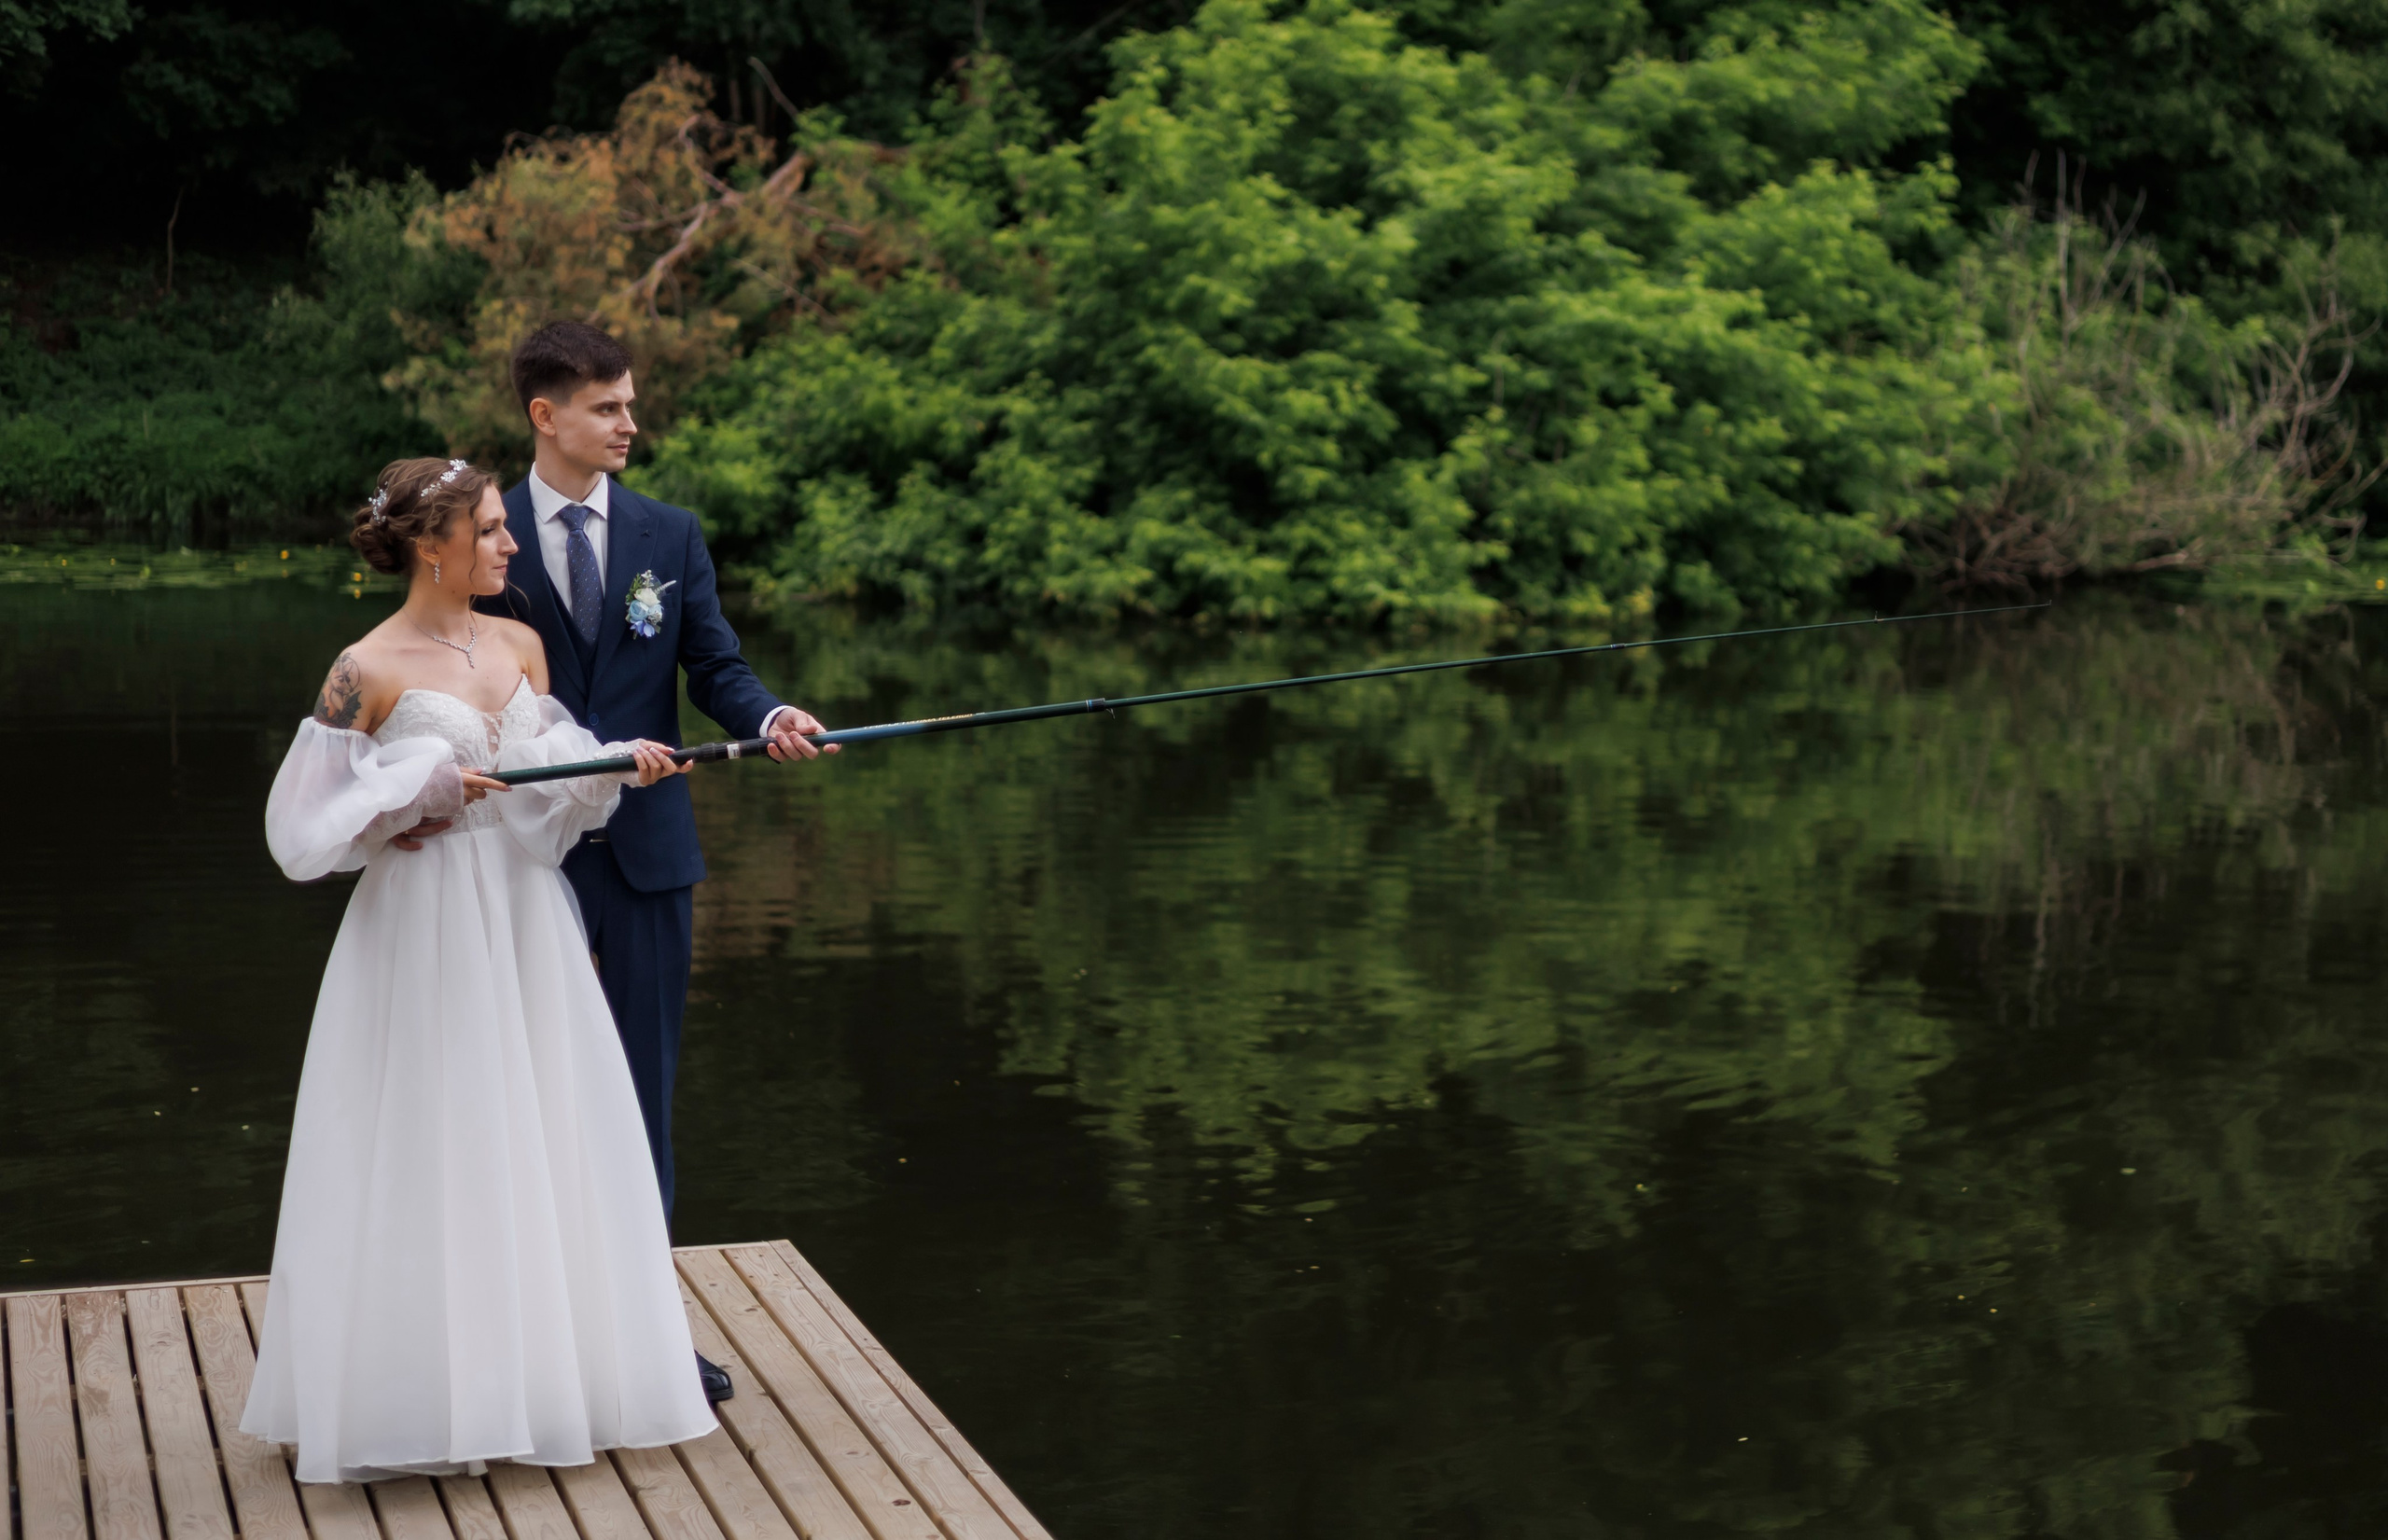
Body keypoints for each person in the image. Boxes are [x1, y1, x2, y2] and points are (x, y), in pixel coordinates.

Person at [247, 456, 717, 1482]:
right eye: (494, 530)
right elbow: (300, 831)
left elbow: (540, 804)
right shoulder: (364, 668)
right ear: (431, 544)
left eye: (506, 527)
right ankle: (413, 1396)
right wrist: (411, 791)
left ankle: (547, 1381)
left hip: (522, 913)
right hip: (420, 926)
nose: (511, 545)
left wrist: (610, 765)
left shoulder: (520, 643)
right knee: (433, 1134)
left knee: (541, 1124)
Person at [464, 319, 837, 1404]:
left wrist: (765, 715)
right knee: (514, 1092)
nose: (632, 422)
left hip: (644, 861)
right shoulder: (486, 539)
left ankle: (644, 1337)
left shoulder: (669, 536)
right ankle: (517, 1340)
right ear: (547, 415)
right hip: (516, 857)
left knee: (636, 1096)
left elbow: (714, 664)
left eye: (630, 403)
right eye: (609, 406)